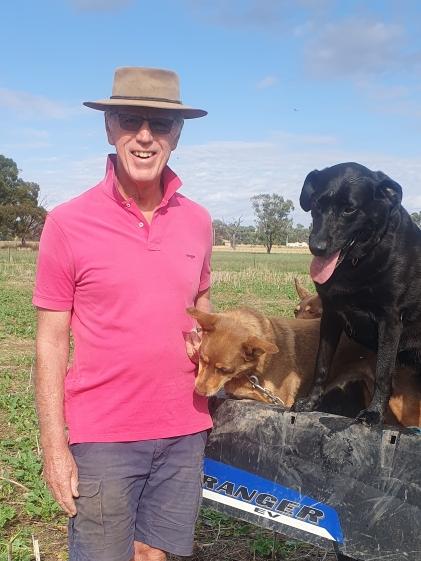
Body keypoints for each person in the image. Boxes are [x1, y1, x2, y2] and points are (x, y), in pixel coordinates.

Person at [33, 67, 213, 561]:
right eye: (131, 120)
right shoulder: (68, 223)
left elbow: (203, 306)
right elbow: (50, 340)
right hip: (104, 433)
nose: (145, 137)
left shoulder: (198, 221)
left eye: (161, 125)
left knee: (155, 555)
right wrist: (54, 446)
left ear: (177, 134)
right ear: (109, 126)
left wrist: (208, 339)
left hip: (184, 427)